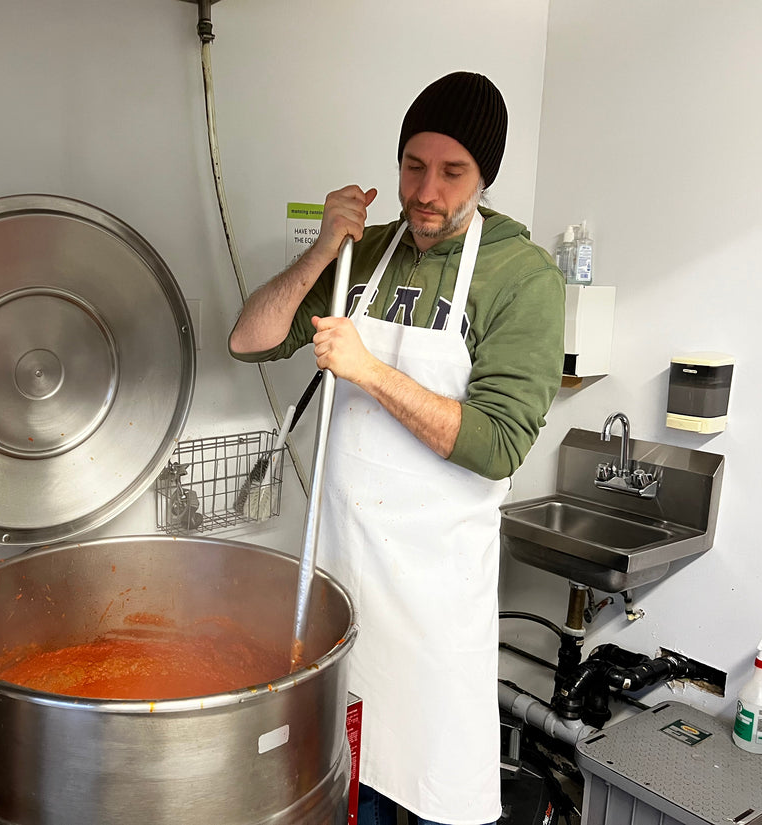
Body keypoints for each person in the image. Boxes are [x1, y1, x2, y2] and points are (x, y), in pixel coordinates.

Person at [228, 71, 565, 824]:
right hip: (341, 585)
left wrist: (371, 371)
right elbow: (247, 339)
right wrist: (322, 248)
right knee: (342, 786)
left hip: (435, 609)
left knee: (431, 793)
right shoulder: (365, 254)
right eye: (414, 165)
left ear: (485, 177)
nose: (426, 191)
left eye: (453, 173)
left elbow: (498, 443)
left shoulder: (523, 276)